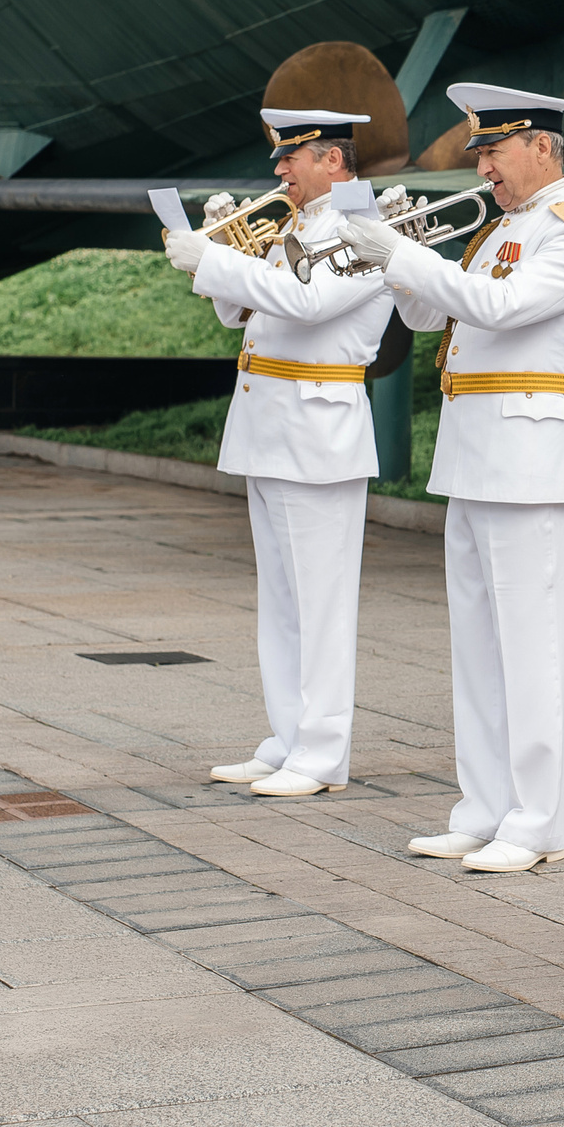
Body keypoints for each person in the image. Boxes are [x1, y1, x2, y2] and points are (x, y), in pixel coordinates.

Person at [353, 83, 564, 874]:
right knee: (476, 645)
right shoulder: (505, 226)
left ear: (542, 146)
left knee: (528, 647)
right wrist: (399, 262)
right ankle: (484, 804)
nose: (486, 169)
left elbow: (498, 309)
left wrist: (402, 253)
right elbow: (436, 318)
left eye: (496, 152)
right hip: (474, 452)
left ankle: (537, 820)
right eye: (482, 154)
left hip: (528, 457)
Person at [173, 107, 395, 798]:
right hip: (269, 422)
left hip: (319, 428)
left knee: (322, 602)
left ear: (332, 160)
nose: (279, 172)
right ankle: (288, 735)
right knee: (282, 597)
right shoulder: (295, 224)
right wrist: (226, 260)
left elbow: (308, 304)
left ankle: (323, 751)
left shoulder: (365, 227)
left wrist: (215, 261)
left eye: (291, 158)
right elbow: (242, 314)